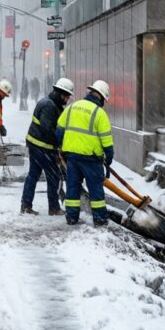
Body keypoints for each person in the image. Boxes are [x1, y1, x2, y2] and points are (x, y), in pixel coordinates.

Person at [57, 80, 114, 226]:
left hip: (72, 159)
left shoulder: (71, 107)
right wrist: (109, 156)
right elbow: (107, 141)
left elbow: (59, 131)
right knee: (96, 191)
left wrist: (62, 148)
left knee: (72, 188)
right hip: (91, 160)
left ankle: (71, 217)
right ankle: (100, 219)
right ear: (101, 97)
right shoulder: (99, 113)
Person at [20, 78, 74, 215]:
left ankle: (26, 205)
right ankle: (54, 208)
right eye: (67, 96)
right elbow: (48, 129)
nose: (67, 99)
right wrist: (60, 145)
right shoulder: (49, 106)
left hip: (36, 145)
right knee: (53, 176)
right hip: (42, 147)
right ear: (61, 94)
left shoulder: (50, 103)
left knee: (33, 175)